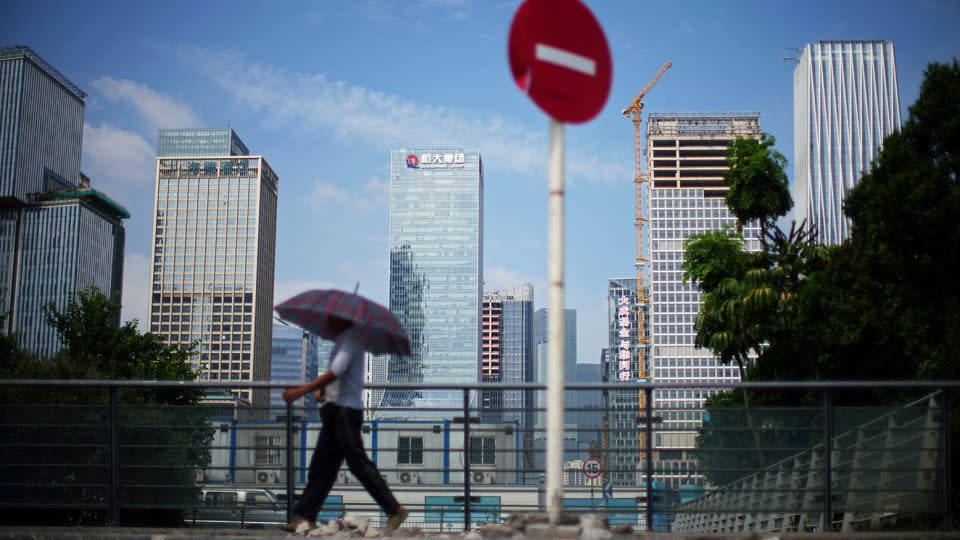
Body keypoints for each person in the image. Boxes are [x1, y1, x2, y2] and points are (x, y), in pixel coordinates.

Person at [280, 316, 408, 534]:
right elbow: (336, 379)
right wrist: (322, 392)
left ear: (342, 321)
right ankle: (305, 517)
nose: (327, 322)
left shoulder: (350, 340)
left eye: (331, 319)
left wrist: (301, 391)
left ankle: (394, 509)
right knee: (322, 467)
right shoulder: (343, 342)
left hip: (345, 413)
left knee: (357, 463)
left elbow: (334, 372)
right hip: (335, 412)